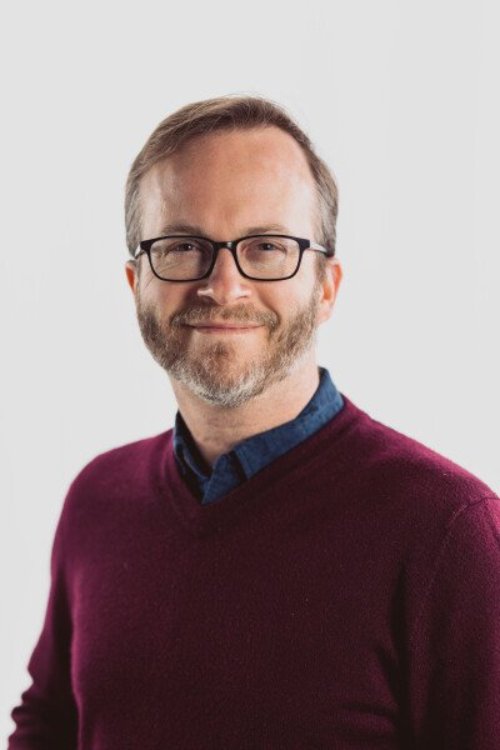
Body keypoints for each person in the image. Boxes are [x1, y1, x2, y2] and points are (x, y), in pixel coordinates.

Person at [8, 95, 500, 749]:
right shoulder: (98, 498)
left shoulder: (448, 531)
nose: (223, 284)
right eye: (183, 246)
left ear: (327, 286)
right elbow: (49, 728)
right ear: (136, 285)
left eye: (267, 247)